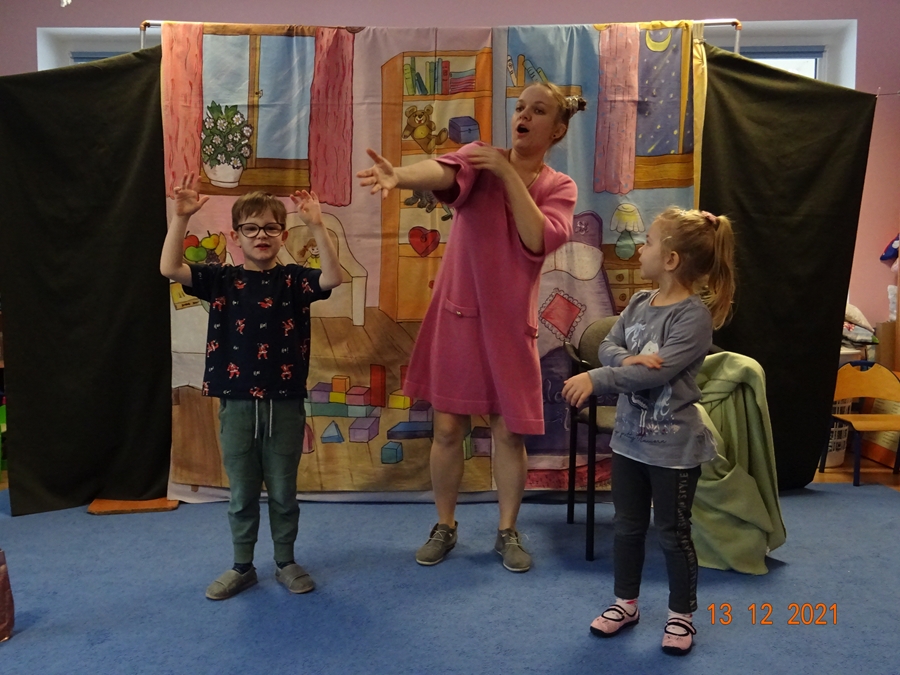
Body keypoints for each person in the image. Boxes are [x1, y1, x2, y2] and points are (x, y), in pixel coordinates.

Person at [358, 83, 586, 573]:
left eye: (538, 110)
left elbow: (538, 237)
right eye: (520, 107)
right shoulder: (479, 157)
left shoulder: (559, 186)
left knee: (508, 433)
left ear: (557, 130)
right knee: (446, 429)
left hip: (510, 328)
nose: (523, 115)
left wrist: (507, 174)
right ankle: (445, 524)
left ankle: (507, 531)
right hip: (458, 317)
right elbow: (443, 170)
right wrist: (399, 176)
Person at [561, 206, 736, 655]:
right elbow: (607, 344)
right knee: (626, 527)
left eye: (650, 242)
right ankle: (626, 604)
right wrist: (625, 359)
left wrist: (599, 377)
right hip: (628, 442)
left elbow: (652, 375)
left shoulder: (693, 317)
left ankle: (682, 615)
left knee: (672, 532)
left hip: (673, 449)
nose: (641, 249)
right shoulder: (640, 302)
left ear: (672, 259)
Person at [160, 174, 341, 600]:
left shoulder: (294, 280)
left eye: (271, 228)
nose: (262, 235)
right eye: (251, 228)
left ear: (283, 236)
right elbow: (169, 268)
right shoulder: (220, 279)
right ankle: (242, 565)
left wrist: (316, 225)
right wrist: (181, 217)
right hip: (237, 402)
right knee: (241, 492)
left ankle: (285, 561)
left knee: (283, 491)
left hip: (285, 403)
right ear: (235, 235)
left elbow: (333, 278)